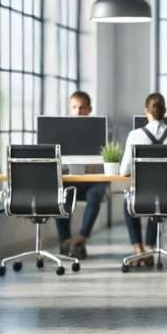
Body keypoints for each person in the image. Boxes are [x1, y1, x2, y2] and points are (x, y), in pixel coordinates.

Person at [120, 93, 167, 266]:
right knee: (158, 196)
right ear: (165, 111)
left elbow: (123, 170)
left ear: (146, 111)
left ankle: (139, 251)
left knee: (129, 199)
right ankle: (151, 246)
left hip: (141, 199)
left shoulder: (134, 135)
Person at [55, 91, 108, 260]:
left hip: (92, 181)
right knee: (63, 194)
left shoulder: (99, 129)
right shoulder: (61, 131)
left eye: (82, 107)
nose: (78, 111)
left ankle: (81, 240)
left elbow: (107, 159)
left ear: (89, 109)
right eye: (74, 107)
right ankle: (65, 241)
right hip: (70, 179)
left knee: (96, 194)